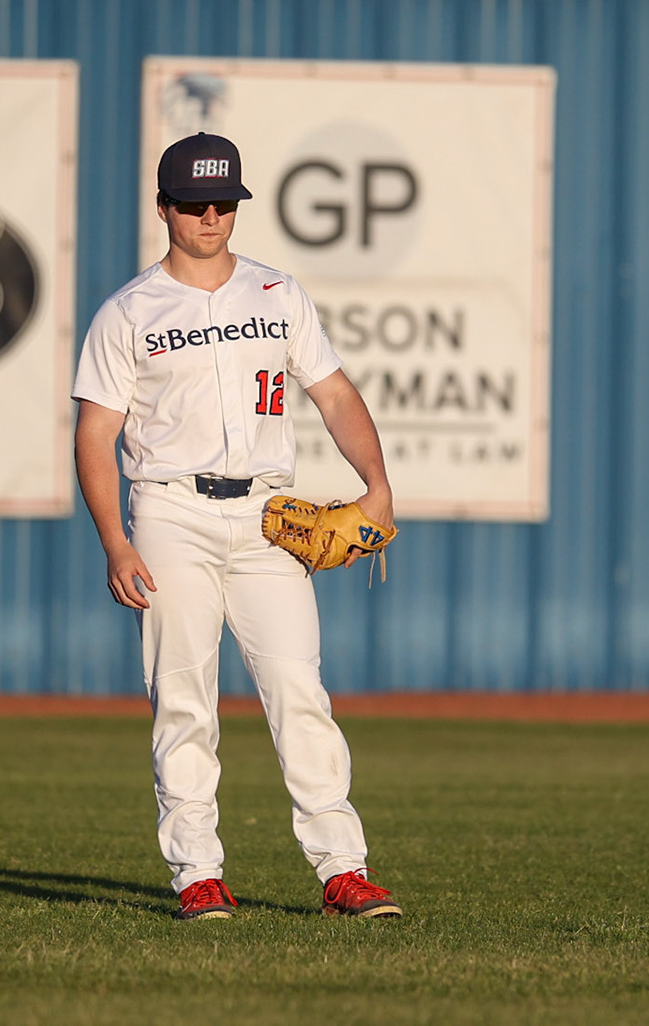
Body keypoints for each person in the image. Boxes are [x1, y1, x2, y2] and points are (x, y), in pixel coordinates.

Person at [71, 131, 402, 922]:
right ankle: (196, 873)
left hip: (266, 515)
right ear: (165, 209)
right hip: (169, 511)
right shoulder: (130, 311)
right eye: (194, 203)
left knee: (298, 687)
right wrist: (115, 540)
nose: (210, 216)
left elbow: (336, 395)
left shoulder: (277, 294)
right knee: (184, 697)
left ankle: (342, 870)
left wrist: (378, 483)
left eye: (223, 202)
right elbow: (93, 434)